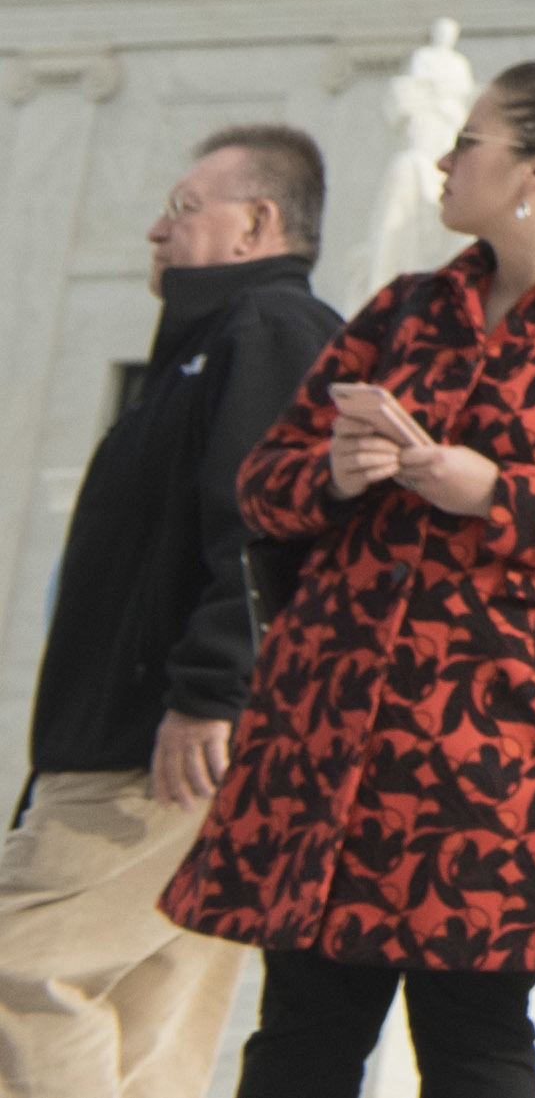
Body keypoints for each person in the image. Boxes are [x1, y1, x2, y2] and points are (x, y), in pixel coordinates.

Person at [170, 64, 535, 1094]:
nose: (442, 158)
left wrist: (497, 493)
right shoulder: (407, 308)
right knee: (299, 1030)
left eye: (469, 140)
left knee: (473, 1036)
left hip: (509, 755)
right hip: (340, 734)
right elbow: (263, 486)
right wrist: (333, 475)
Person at [0, 125, 342, 1098]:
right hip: (150, 740)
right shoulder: (209, 347)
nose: (156, 230)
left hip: (158, 747)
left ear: (256, 224)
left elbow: (266, 525)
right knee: (152, 1019)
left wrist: (212, 692)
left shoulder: (267, 332)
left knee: (22, 969)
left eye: (184, 209)